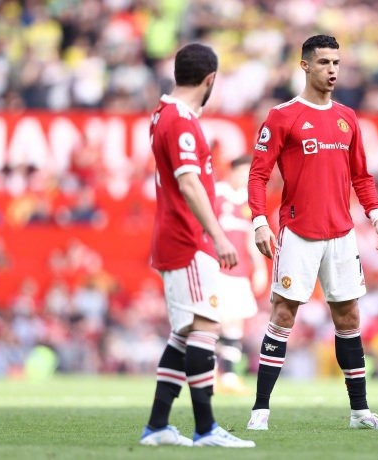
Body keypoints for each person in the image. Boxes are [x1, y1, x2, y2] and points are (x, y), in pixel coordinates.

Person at [246, 34, 378, 431]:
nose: (332, 70)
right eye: (324, 62)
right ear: (305, 66)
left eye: (336, 63)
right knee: (283, 313)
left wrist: (376, 215)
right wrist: (259, 221)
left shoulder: (348, 117)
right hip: (298, 231)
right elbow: (258, 174)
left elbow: (361, 176)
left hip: (342, 234)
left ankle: (360, 413)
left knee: (348, 317)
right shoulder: (283, 116)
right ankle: (260, 411)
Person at [139, 43, 255, 448]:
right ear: (210, 80)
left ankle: (158, 425)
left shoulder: (164, 113)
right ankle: (206, 428)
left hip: (178, 236)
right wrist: (219, 236)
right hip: (188, 239)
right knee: (206, 326)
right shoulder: (180, 121)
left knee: (184, 332)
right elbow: (189, 183)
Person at [215, 154, 268, 393]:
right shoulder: (217, 194)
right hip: (217, 269)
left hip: (239, 271)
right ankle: (207, 371)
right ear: (232, 171)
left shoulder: (249, 201)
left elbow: (250, 237)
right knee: (215, 320)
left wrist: (259, 267)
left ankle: (228, 375)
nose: (245, 178)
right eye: (242, 173)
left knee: (235, 322)